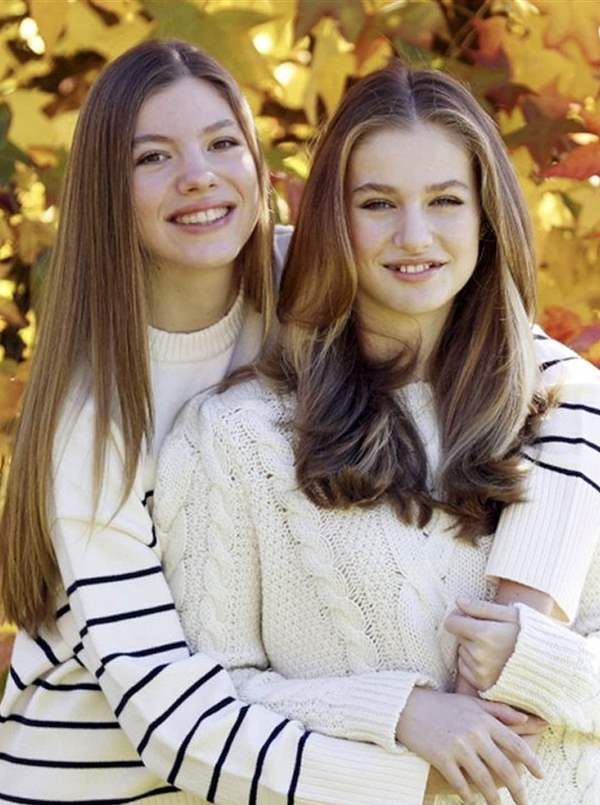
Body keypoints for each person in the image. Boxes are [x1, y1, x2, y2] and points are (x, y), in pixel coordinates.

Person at [0, 41, 461, 805]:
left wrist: (527, 600)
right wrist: (421, 777)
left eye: (222, 144)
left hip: (258, 776)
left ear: (257, 165)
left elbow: (539, 370)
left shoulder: (309, 282)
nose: (199, 176)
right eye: (153, 157)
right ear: (107, 191)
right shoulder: (96, 415)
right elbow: (166, 709)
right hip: (93, 783)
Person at [154, 63, 600, 805]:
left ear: (487, 216)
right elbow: (211, 708)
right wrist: (401, 715)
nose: (414, 235)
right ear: (333, 218)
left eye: (446, 200)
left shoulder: (566, 416)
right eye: (378, 203)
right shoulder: (237, 439)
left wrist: (544, 663)